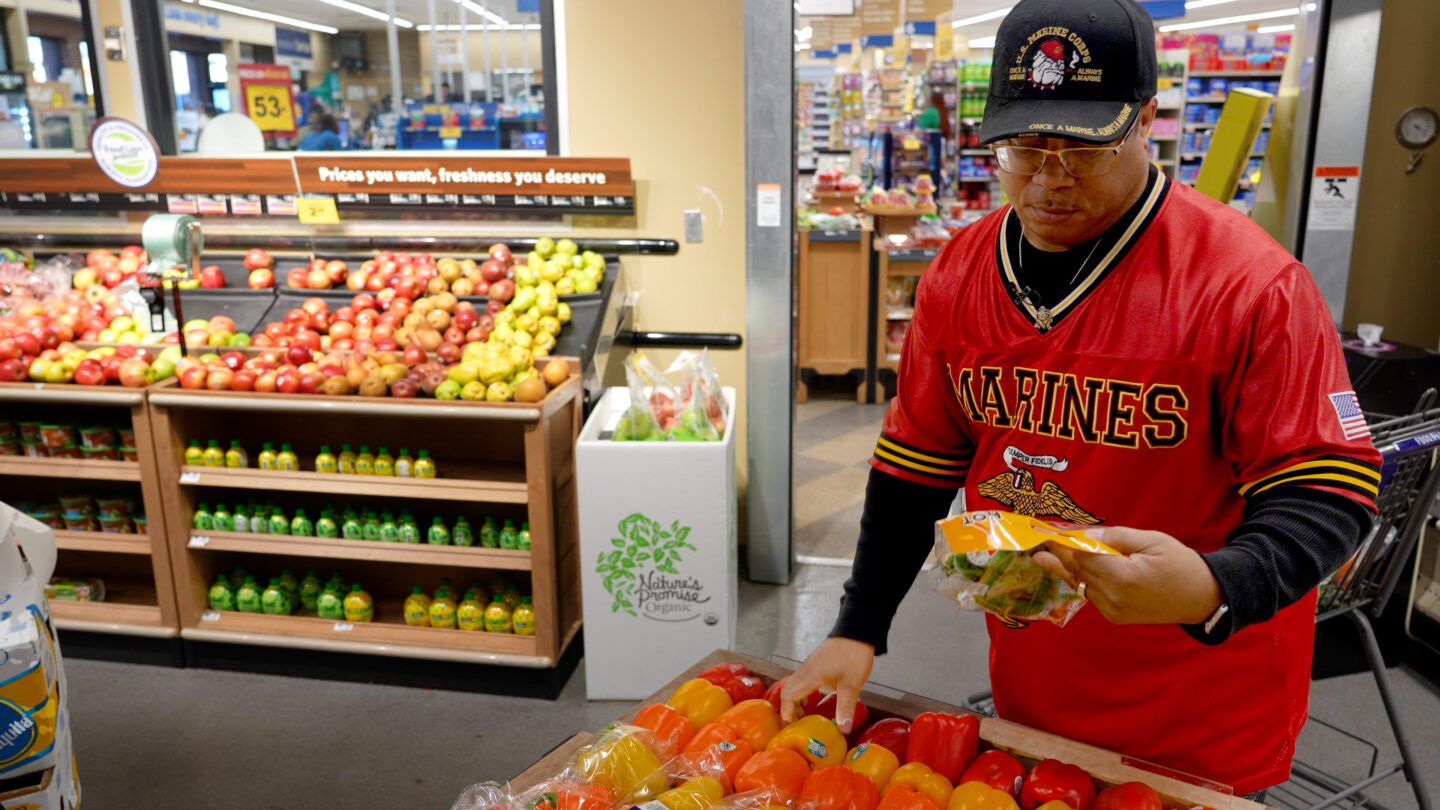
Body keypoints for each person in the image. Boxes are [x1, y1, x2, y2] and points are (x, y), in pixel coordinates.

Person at [782, 0, 1381, 798]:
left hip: (1204, 709)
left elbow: (1333, 488)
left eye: (1082, 149)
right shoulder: (959, 272)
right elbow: (915, 467)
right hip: (1035, 692)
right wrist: (858, 625)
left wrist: (1215, 585)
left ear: (1146, 120)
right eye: (1024, 148)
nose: (1048, 179)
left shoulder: (1252, 286)